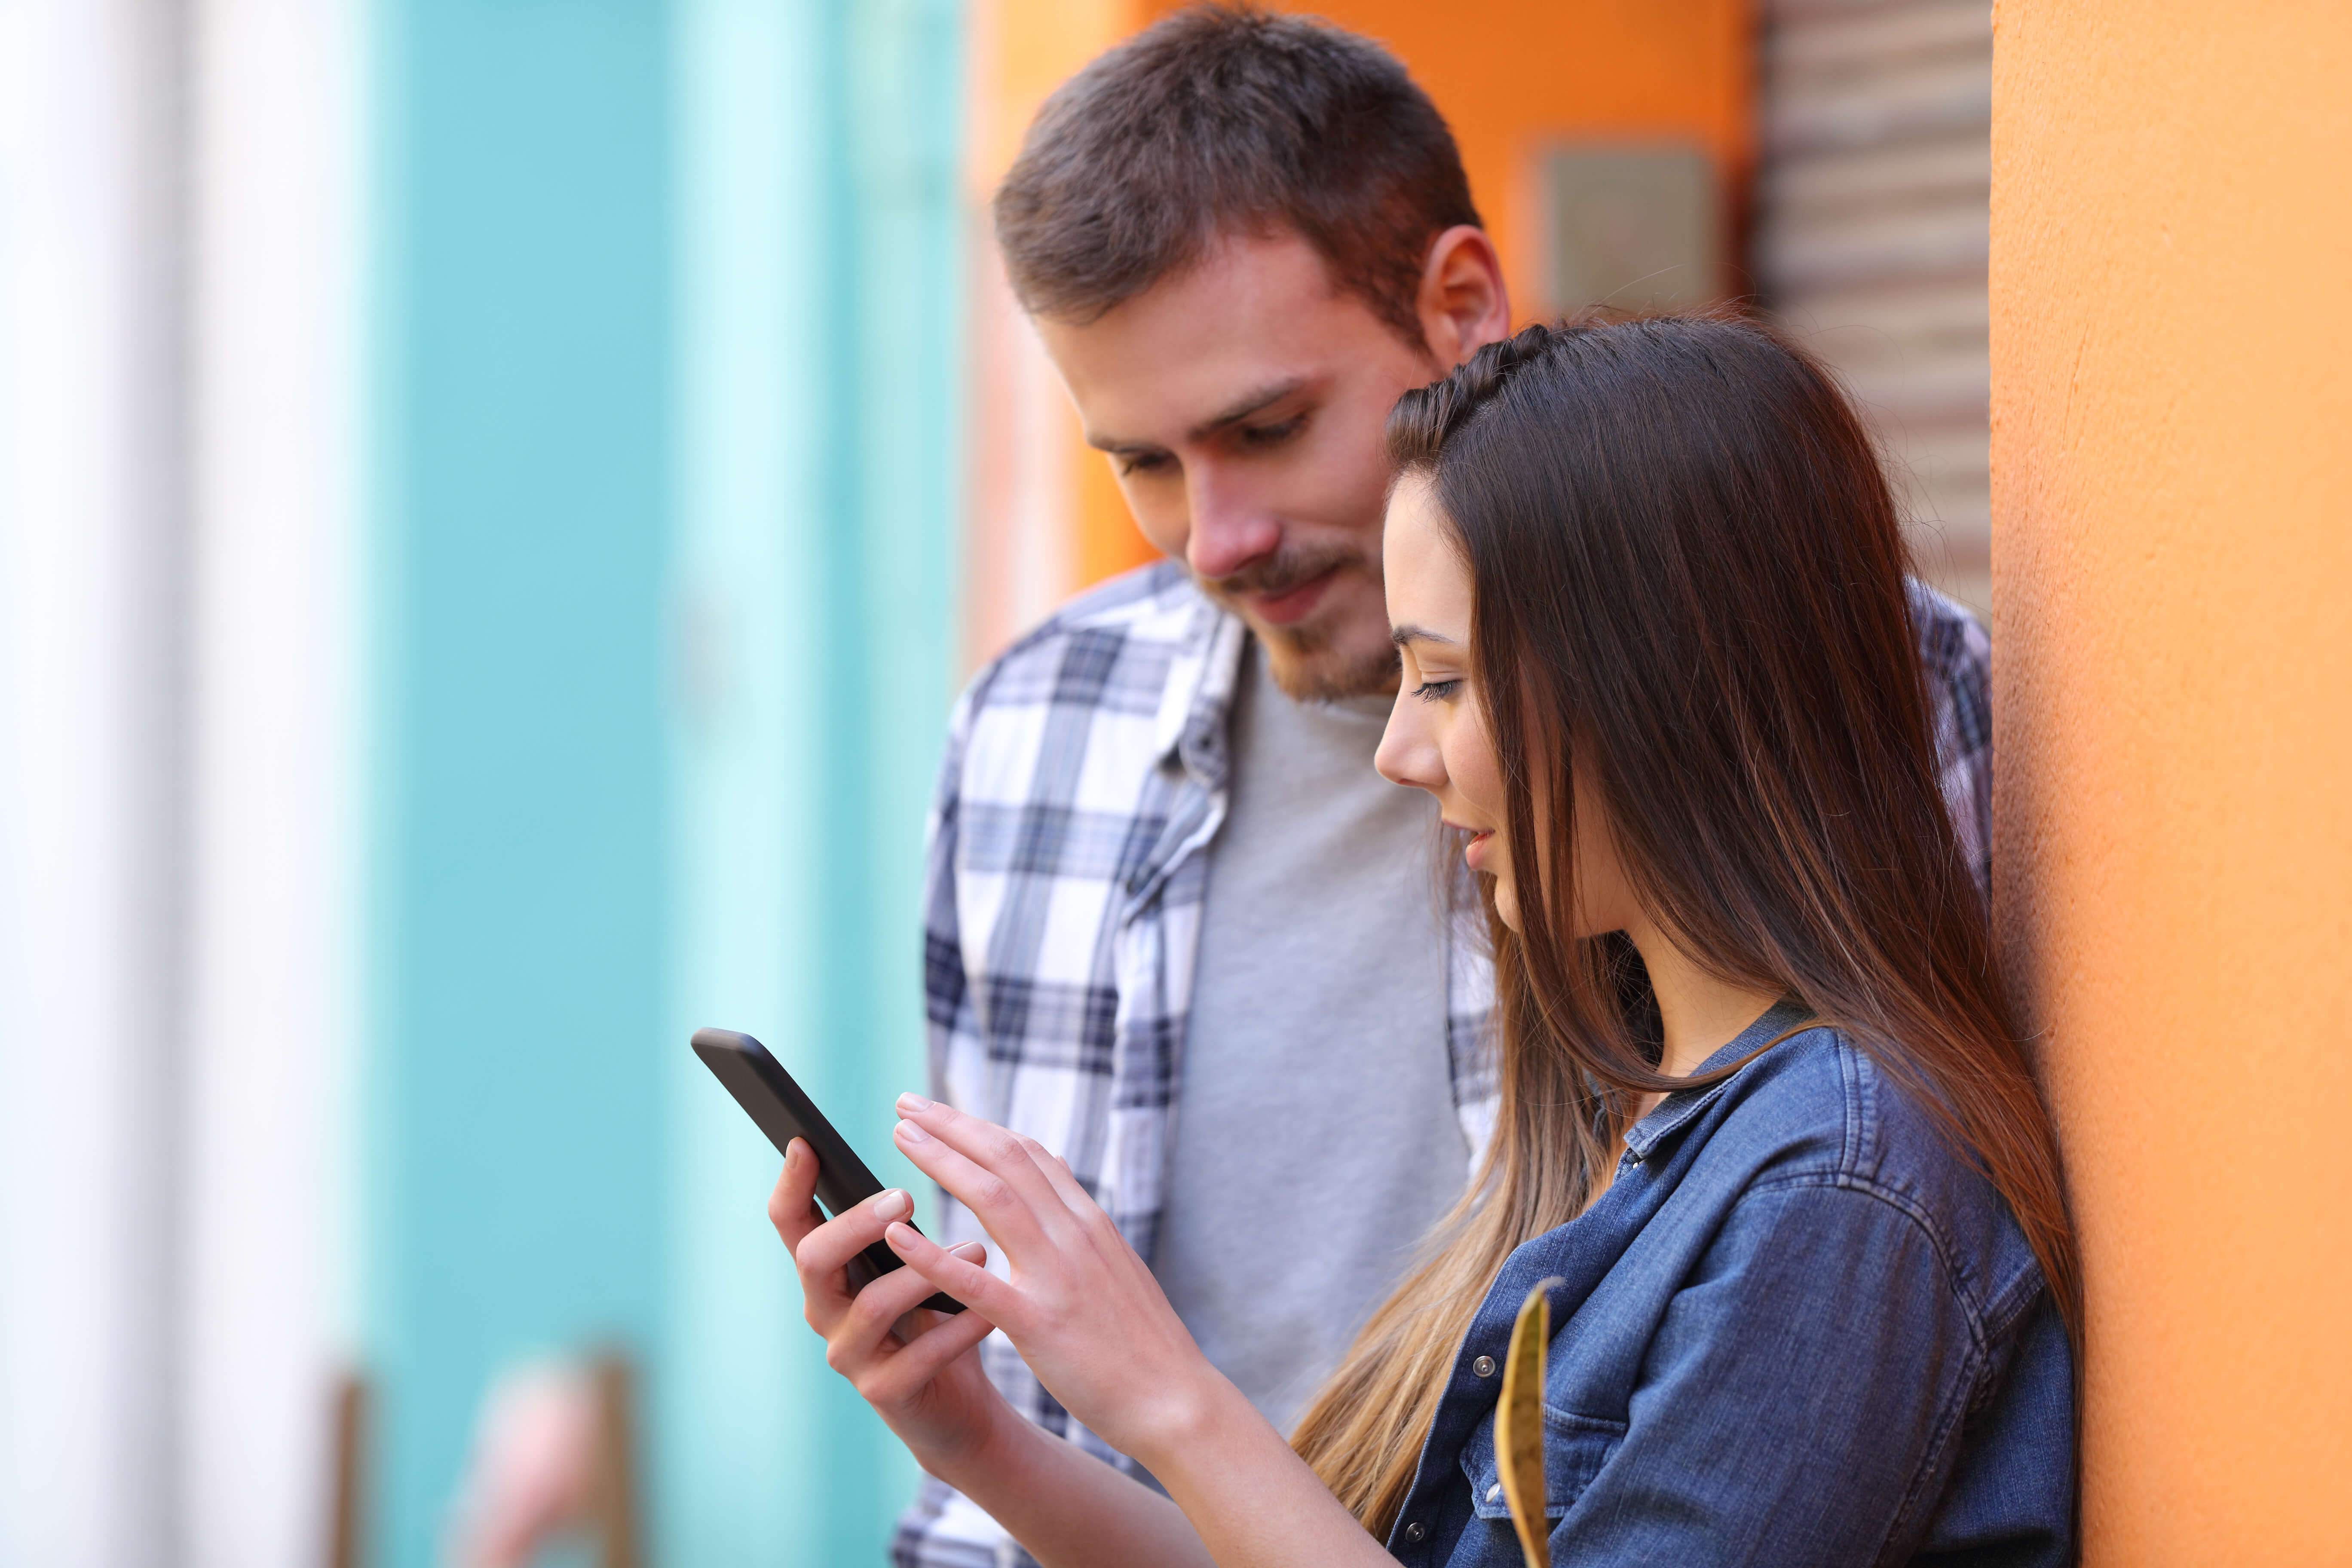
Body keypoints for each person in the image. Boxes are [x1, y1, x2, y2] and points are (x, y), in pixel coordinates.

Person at [897, 8, 1994, 1563]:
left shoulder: (1857, 709)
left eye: (1266, 430)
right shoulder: (1031, 733)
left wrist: (1167, 1403)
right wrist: (979, 1439)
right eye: (1139, 464)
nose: (1215, 539)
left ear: (1461, 305)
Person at [772, 313, 2078, 1565]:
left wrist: (1170, 1399)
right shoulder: (1649, 1116)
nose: (1401, 752)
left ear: (1661, 681)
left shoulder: (1838, 1183)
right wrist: (983, 1442)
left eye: (1444, 680)